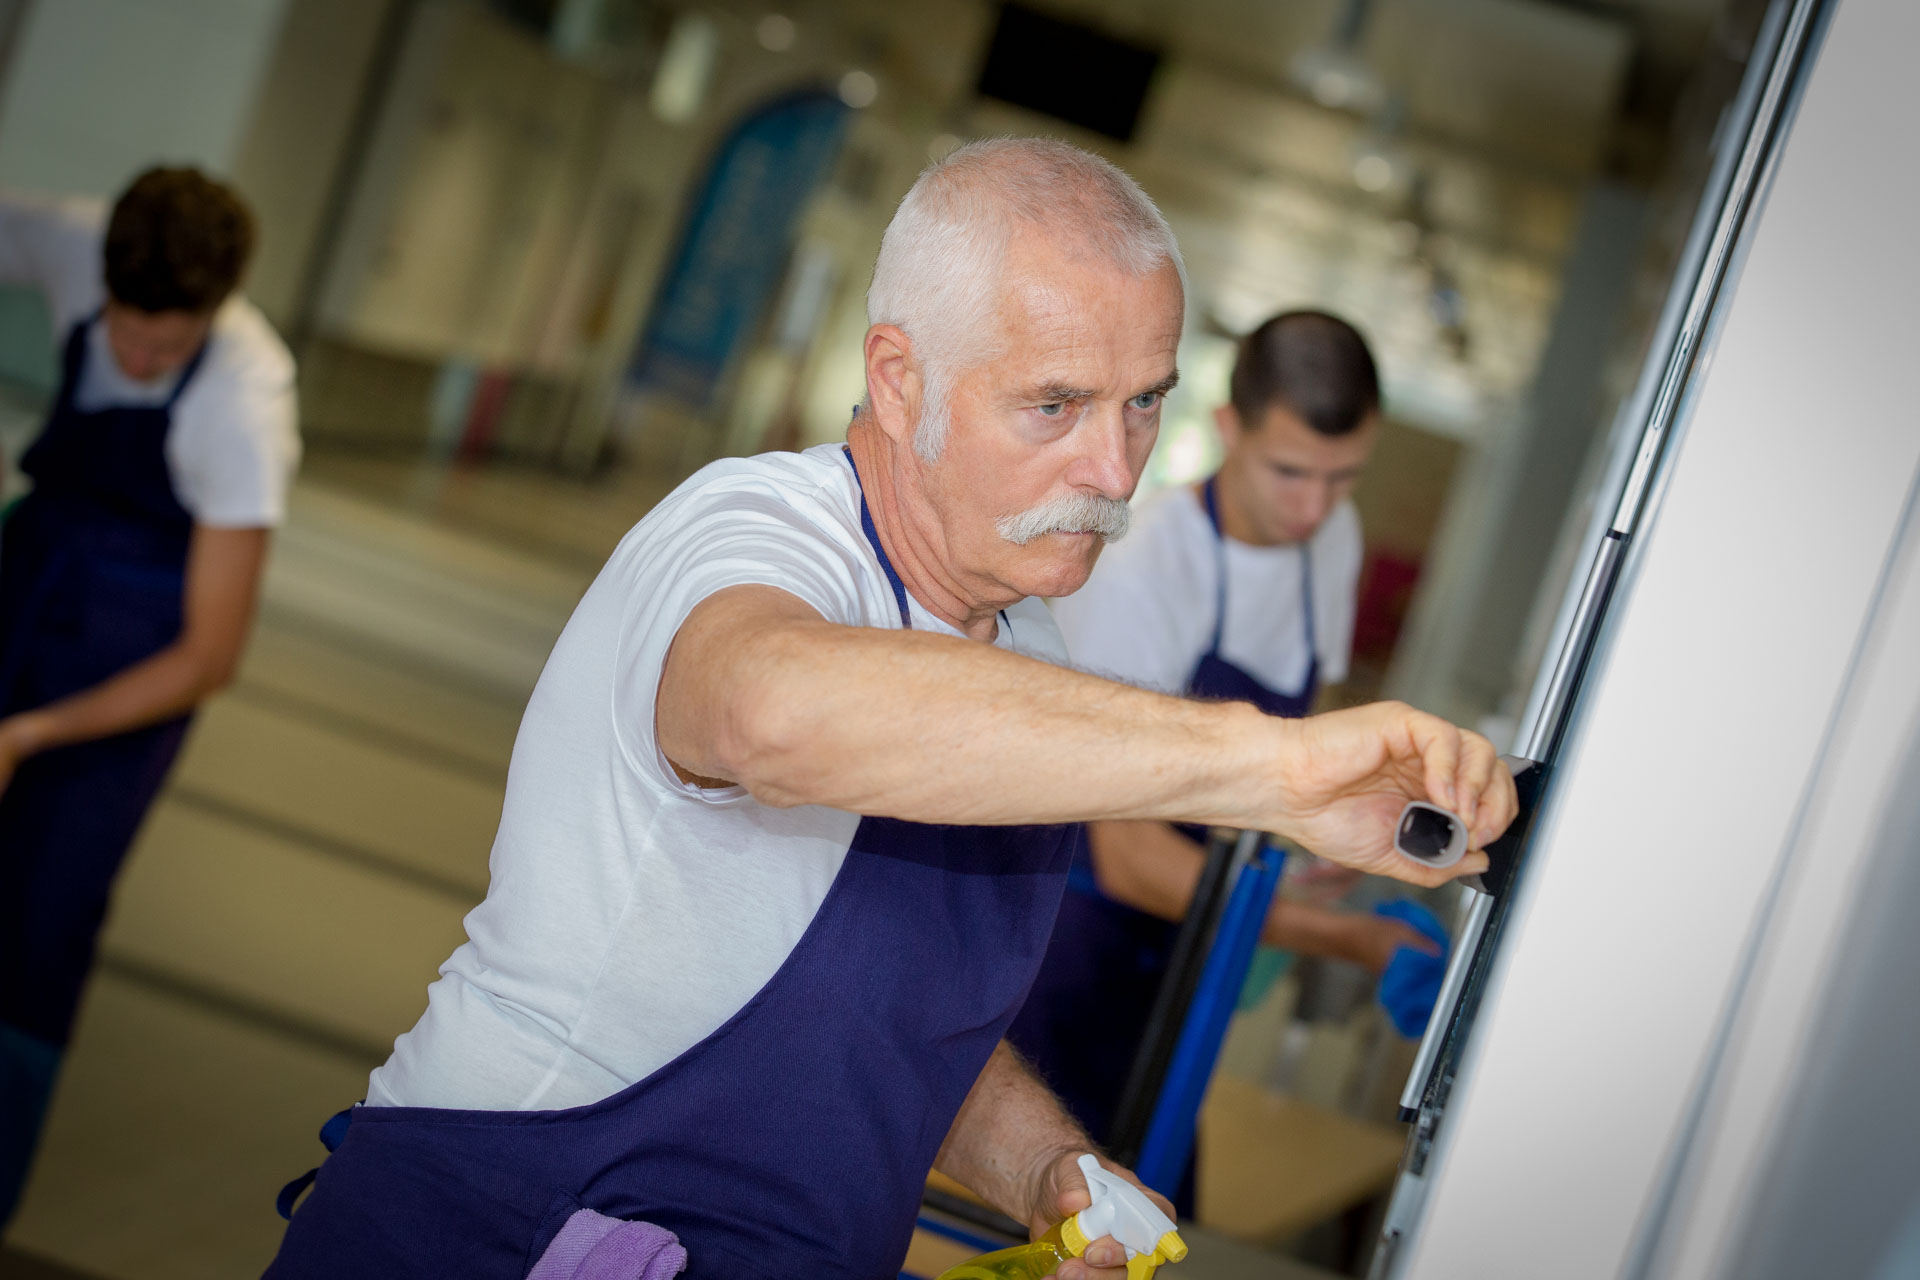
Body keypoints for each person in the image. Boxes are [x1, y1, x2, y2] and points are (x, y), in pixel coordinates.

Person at [265, 138, 1512, 1280]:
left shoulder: (1026, 628)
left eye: (1144, 402)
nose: (1116, 469)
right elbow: (768, 712)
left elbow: (898, 1024)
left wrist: (1044, 1170)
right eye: (1056, 405)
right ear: (900, 378)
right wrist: (1266, 770)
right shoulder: (752, 529)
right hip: (498, 1232)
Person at [1008, 312, 1440, 1165]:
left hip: (1186, 958)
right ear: (1228, 429)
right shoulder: (1146, 566)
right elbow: (1130, 856)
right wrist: (1350, 938)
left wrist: (1312, 838)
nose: (1314, 507)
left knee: (1160, 1204)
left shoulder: (1331, 542)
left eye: (1343, 478)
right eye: (1289, 472)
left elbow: (1292, 735)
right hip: (1071, 948)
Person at [0, 168, 298, 1223]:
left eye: (163, 350)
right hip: (28, 581)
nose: (133, 361)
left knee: (36, 933)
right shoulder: (78, 242)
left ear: (212, 317)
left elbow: (210, 652)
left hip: (132, 667)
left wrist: (29, 734)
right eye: (122, 334)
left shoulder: (244, 401)